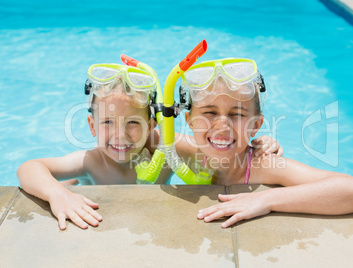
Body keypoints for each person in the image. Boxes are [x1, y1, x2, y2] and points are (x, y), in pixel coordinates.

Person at [17, 62, 283, 230]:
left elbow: (217, 150)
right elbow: (30, 167)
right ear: (92, 126)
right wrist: (57, 195)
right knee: (63, 185)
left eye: (133, 122)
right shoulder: (91, 161)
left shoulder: (166, 148)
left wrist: (255, 143)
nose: (120, 136)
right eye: (108, 122)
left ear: (153, 123)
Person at [177, 58, 353, 228]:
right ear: (190, 121)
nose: (222, 126)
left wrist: (266, 199)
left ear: (256, 125)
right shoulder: (187, 150)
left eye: (236, 114)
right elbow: (151, 134)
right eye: (209, 113)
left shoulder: (262, 164)